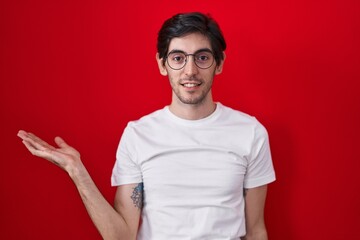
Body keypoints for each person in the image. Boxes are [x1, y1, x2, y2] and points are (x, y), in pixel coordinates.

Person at [17, 12, 275, 240]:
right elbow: (121, 237)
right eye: (178, 58)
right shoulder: (138, 135)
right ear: (162, 65)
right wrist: (77, 171)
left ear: (219, 64)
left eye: (202, 57)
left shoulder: (250, 133)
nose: (190, 70)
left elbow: (255, 231)